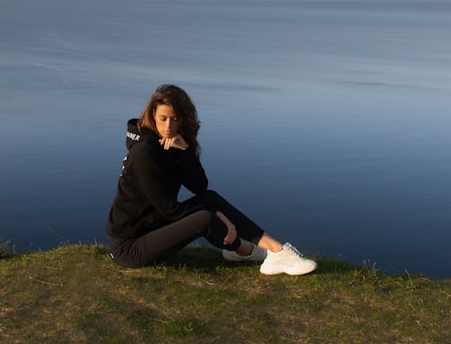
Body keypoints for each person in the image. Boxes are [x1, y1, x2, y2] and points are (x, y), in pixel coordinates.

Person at [106, 84, 317, 275]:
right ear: (153, 115)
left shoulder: (168, 144)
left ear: (183, 119)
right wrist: (218, 217)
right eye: (163, 118)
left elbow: (200, 187)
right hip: (129, 247)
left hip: (152, 228)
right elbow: (170, 210)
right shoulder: (145, 154)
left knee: (210, 198)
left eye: (175, 119)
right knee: (205, 218)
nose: (168, 125)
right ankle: (243, 251)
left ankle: (277, 251)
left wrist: (186, 151)